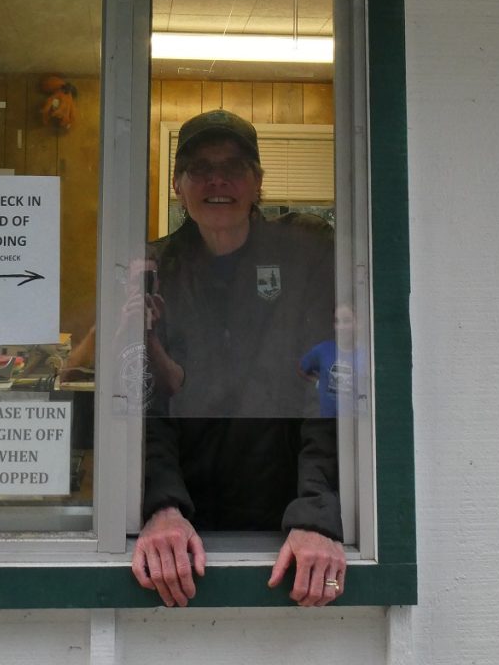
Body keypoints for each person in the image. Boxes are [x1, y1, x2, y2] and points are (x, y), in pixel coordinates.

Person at [130, 109, 346, 608]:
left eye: (233, 166)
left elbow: (325, 390)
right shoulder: (156, 267)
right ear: (179, 185)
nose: (217, 179)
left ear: (258, 183)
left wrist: (316, 513)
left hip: (287, 516)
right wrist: (160, 504)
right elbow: (146, 402)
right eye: (200, 167)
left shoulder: (305, 259)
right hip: (181, 526)